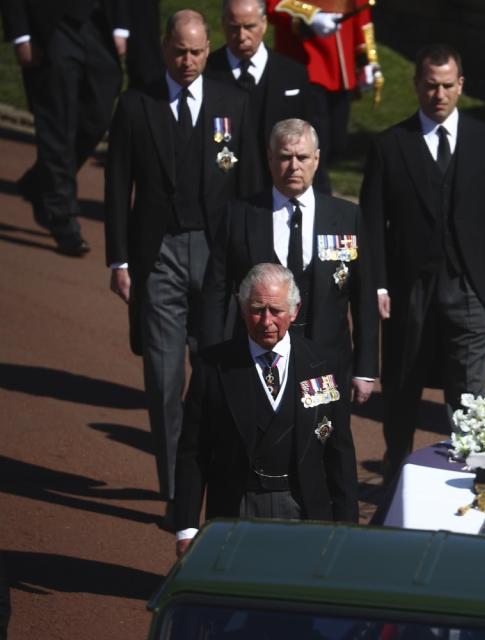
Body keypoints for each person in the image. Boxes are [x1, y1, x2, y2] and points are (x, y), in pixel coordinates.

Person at [104, 10, 258, 520]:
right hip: (159, 256)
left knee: (212, 375)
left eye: (196, 52)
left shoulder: (234, 104)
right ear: (166, 48)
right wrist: (119, 260)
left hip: (217, 259)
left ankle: (209, 479)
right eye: (179, 52)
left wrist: (249, 258)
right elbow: (116, 184)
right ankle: (176, 491)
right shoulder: (135, 104)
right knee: (164, 377)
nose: (188, 61)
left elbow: (248, 187)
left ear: (208, 48)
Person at [360, 43, 485, 479]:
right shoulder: (390, 146)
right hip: (410, 287)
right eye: (430, 86)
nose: (439, 95)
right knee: (403, 382)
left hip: (469, 284)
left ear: (461, 85)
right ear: (416, 85)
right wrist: (376, 284)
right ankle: (396, 462)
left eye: (448, 86)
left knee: (468, 387)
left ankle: (469, 470)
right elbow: (371, 224)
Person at [175, 263, 359, 557]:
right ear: (242, 308)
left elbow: (340, 452)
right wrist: (186, 528)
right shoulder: (213, 367)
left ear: (295, 310)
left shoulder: (324, 363)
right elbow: (193, 453)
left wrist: (348, 526)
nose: (266, 321)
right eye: (257, 310)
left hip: (306, 508)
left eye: (276, 311)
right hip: (236, 508)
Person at [202, 118, 378, 408]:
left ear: (317, 159)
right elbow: (215, 293)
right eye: (285, 157)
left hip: (326, 363)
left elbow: (364, 299)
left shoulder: (347, 217)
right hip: (255, 361)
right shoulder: (239, 216)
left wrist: (366, 368)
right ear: (270, 159)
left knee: (324, 444)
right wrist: (209, 359)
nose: (294, 166)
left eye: (302, 157)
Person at [1, 0, 128, 255]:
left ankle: (39, 183)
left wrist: (121, 26)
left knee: (98, 116)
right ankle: (61, 216)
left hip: (98, 21)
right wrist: (20, 33)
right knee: (58, 122)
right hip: (50, 25)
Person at [206, 0, 331, 193]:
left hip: (278, 192)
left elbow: (311, 138)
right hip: (222, 192)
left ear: (264, 23)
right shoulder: (207, 74)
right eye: (233, 28)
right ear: (223, 24)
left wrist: (321, 196)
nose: (242, 36)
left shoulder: (293, 75)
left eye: (249, 27)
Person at [266, 0, 376, 163]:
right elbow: (273, 4)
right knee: (312, 146)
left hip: (341, 70)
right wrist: (310, 16)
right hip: (307, 65)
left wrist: (366, 59)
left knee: (337, 143)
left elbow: (360, 9)